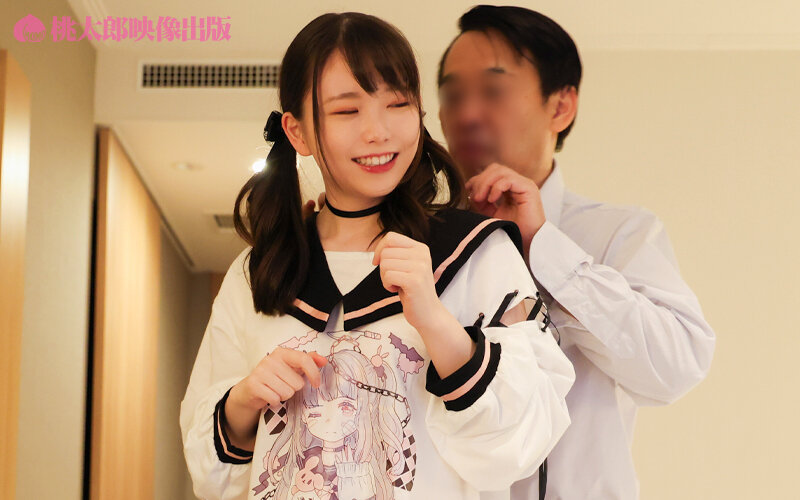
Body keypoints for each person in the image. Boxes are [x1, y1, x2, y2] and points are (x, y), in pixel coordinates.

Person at [180, 12, 575, 500]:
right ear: (297, 132)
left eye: (398, 104)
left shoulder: (476, 252)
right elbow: (210, 473)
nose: (378, 131)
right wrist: (244, 400)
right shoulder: (257, 271)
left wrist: (434, 320)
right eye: (348, 111)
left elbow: (525, 442)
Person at [436, 5, 716, 499]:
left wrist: (545, 248)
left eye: (493, 91)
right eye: (453, 95)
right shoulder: (418, 243)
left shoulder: (621, 234)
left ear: (561, 106)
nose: (466, 114)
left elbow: (676, 368)